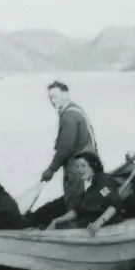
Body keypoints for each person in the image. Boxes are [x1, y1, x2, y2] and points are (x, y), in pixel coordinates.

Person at [39, 81, 98, 212]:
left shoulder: (69, 115)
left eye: (55, 97)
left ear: (65, 95)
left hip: (77, 164)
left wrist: (51, 169)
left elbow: (65, 148)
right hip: (87, 161)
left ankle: (73, 226)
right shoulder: (74, 109)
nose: (53, 101)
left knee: (73, 197)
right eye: (50, 98)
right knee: (78, 195)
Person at [45, 152, 127, 236]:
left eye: (83, 166)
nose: (79, 169)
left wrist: (98, 223)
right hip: (89, 225)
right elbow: (77, 211)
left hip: (106, 228)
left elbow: (114, 205)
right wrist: (56, 221)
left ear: (93, 166)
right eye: (77, 166)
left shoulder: (102, 183)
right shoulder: (88, 185)